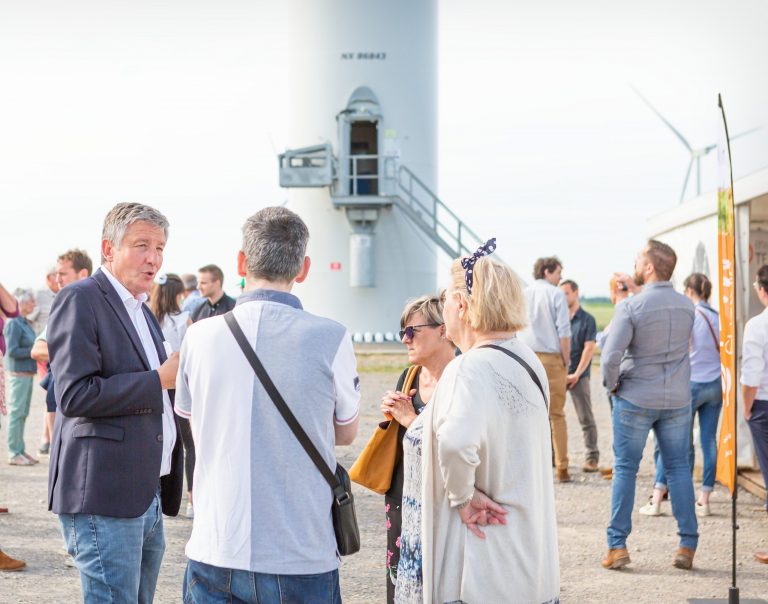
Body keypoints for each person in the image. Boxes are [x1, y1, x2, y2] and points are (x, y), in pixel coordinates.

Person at [176, 206, 360, 604]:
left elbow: (189, 418)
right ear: (304, 268)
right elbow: (345, 431)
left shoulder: (199, 336)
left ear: (241, 262)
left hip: (216, 544)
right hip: (301, 549)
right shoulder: (332, 337)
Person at [396, 239, 560, 604]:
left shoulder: (468, 368)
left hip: (481, 563)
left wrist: (463, 497)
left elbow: (455, 443)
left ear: (464, 305)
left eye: (446, 299)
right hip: (529, 556)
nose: (444, 308)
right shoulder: (527, 360)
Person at [47, 202, 183, 603]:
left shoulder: (142, 309)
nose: (153, 258)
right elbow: (74, 395)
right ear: (108, 248)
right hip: (104, 497)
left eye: (159, 248)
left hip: (146, 492)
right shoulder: (81, 298)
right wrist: (158, 379)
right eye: (141, 245)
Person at [601, 240, 698, 571]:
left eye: (639, 259)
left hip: (636, 396)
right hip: (677, 399)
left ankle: (617, 546)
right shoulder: (688, 306)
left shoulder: (630, 307)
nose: (635, 262)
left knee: (626, 468)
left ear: (649, 268)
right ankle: (687, 544)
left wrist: (613, 384)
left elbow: (611, 356)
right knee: (679, 468)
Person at [380, 294, 456, 603]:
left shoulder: (461, 378)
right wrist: (391, 413)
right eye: (402, 332)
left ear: (443, 330)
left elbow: (457, 446)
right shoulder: (409, 376)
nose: (405, 340)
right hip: (402, 496)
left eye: (413, 331)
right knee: (399, 582)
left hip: (445, 498)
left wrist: (410, 419)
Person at [640, 273, 722, 517]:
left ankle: (657, 498)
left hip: (691, 383)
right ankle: (704, 499)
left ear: (688, 291)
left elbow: (682, 347)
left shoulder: (692, 315)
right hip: (715, 384)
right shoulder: (718, 317)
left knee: (673, 441)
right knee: (708, 441)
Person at [30, 249, 93, 456]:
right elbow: (37, 349)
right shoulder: (64, 306)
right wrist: (79, 353)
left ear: (82, 274)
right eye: (56, 274)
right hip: (68, 405)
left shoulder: (103, 305)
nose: (57, 280)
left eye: (63, 274)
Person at [519, 255, 572, 482]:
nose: (560, 277)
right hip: (551, 357)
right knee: (557, 414)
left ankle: (529, 466)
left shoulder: (523, 293)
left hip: (525, 356)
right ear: (548, 271)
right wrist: (566, 360)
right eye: (559, 272)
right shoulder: (556, 293)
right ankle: (562, 467)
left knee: (526, 414)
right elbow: (564, 331)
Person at [149, 273, 195, 518]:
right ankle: (190, 500)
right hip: (180, 386)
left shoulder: (147, 317)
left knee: (160, 439)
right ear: (178, 294)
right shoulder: (184, 319)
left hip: (154, 385)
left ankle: (156, 493)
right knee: (188, 444)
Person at [742, 264, 768, 565]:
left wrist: (746, 408)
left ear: (761, 290)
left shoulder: (758, 326)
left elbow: (751, 376)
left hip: (763, 403)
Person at [560, 279, 600, 471]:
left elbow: (589, 348)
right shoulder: (559, 319)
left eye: (566, 293)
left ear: (575, 293)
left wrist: (577, 373)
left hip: (579, 376)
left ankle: (592, 457)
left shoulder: (587, 320)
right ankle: (554, 456)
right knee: (554, 417)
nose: (563, 297)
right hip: (559, 374)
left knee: (586, 418)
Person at [4, 290, 38, 466]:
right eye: (31, 302)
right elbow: (12, 351)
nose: (34, 305)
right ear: (22, 303)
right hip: (18, 375)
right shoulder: (14, 324)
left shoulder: (24, 322)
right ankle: (13, 452)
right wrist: (32, 352)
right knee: (17, 414)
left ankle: (20, 449)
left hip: (27, 374)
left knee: (22, 413)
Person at [29, 267, 59, 336]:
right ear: (49, 278)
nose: (59, 279)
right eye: (57, 275)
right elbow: (26, 321)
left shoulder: (63, 295)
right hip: (42, 343)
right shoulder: (38, 295)